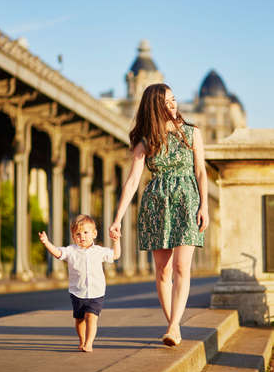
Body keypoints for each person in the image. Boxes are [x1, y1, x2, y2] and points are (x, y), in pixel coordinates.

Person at [109, 83, 209, 347]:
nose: (172, 105)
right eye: (166, 102)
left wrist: (204, 206)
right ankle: (173, 326)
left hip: (188, 202)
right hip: (156, 205)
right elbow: (132, 182)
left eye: (174, 99)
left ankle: (173, 326)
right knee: (163, 271)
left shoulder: (192, 133)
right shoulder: (145, 141)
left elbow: (200, 171)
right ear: (154, 107)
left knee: (181, 267)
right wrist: (117, 218)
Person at [39, 214, 121, 352]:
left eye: (85, 232)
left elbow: (115, 255)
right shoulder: (71, 251)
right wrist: (47, 242)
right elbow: (58, 253)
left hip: (96, 291)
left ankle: (89, 343)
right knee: (79, 319)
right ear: (73, 236)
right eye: (78, 234)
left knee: (91, 317)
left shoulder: (99, 251)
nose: (82, 236)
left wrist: (116, 241)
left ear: (94, 234)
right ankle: (82, 341)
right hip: (77, 292)